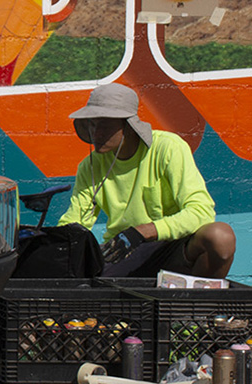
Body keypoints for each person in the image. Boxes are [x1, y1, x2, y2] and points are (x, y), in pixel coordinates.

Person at [58, 83, 235, 279]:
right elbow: (75, 223)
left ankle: (194, 307)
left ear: (129, 126)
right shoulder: (89, 166)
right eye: (91, 124)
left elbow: (201, 212)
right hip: (121, 254)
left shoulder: (168, 148)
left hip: (170, 249)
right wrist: (52, 243)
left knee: (220, 237)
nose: (96, 133)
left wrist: (142, 232)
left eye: (105, 126)